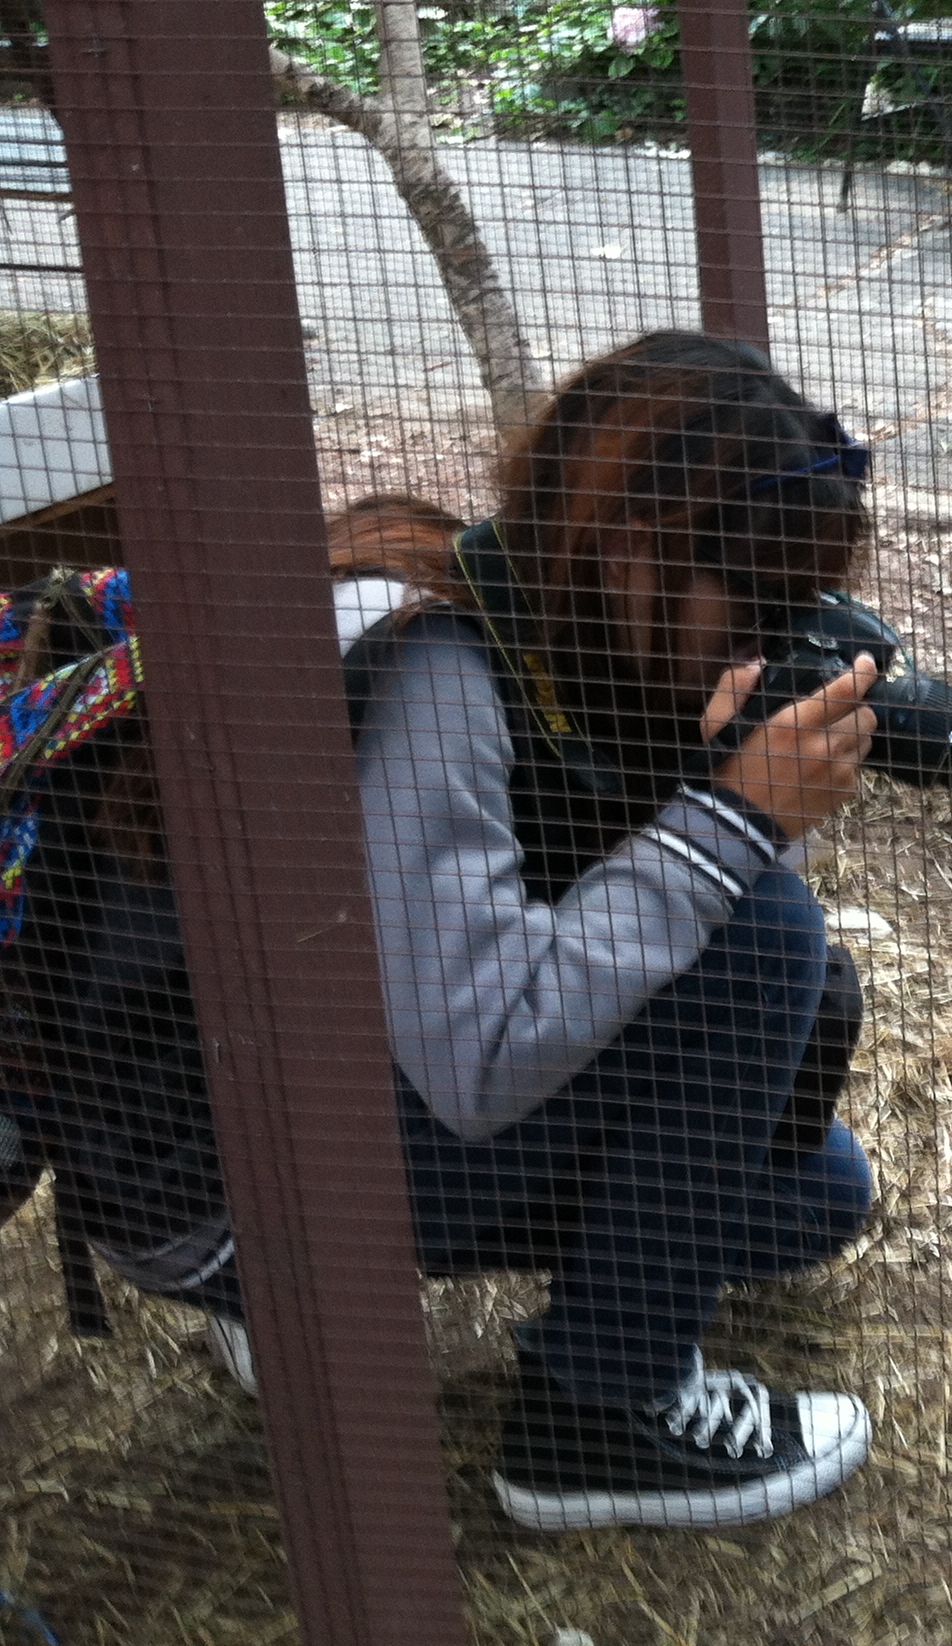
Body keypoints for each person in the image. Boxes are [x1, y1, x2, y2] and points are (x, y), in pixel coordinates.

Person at [12, 333, 886, 1533]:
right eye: (753, 605)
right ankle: (600, 1417)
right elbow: (482, 1057)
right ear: (636, 548)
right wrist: (733, 820)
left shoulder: (523, 602)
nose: (760, 648)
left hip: (270, 1089)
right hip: (212, 1187)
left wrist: (718, 775)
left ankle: (314, 1313)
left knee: (812, 1194)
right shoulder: (428, 662)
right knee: (765, 932)